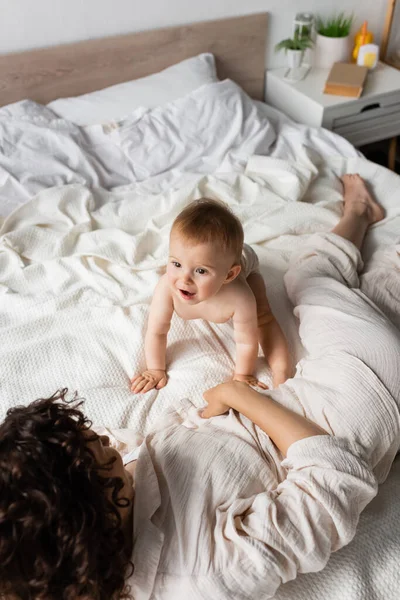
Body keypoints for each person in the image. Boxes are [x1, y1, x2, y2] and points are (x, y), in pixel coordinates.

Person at [1, 175, 400, 600]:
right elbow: (337, 477)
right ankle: (359, 212)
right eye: (97, 450)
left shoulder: (100, 542)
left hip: (314, 388)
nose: (104, 437)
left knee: (376, 303)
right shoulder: (210, 571)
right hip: (358, 393)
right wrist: (237, 395)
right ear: (99, 506)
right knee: (309, 274)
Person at [130, 198, 292, 393]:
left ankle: (283, 373)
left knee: (263, 315)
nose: (185, 279)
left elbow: (246, 341)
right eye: (176, 264)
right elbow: (156, 331)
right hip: (222, 261)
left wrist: (243, 374)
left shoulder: (239, 296)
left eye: (200, 271)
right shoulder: (167, 287)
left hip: (246, 261)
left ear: (229, 275)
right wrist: (155, 369)